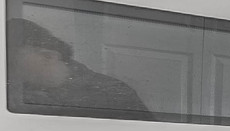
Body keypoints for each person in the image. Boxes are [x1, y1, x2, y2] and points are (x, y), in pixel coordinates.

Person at [6, 17, 149, 118]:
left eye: (13, 62)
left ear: (48, 55)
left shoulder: (113, 92)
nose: (9, 72)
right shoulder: (19, 95)